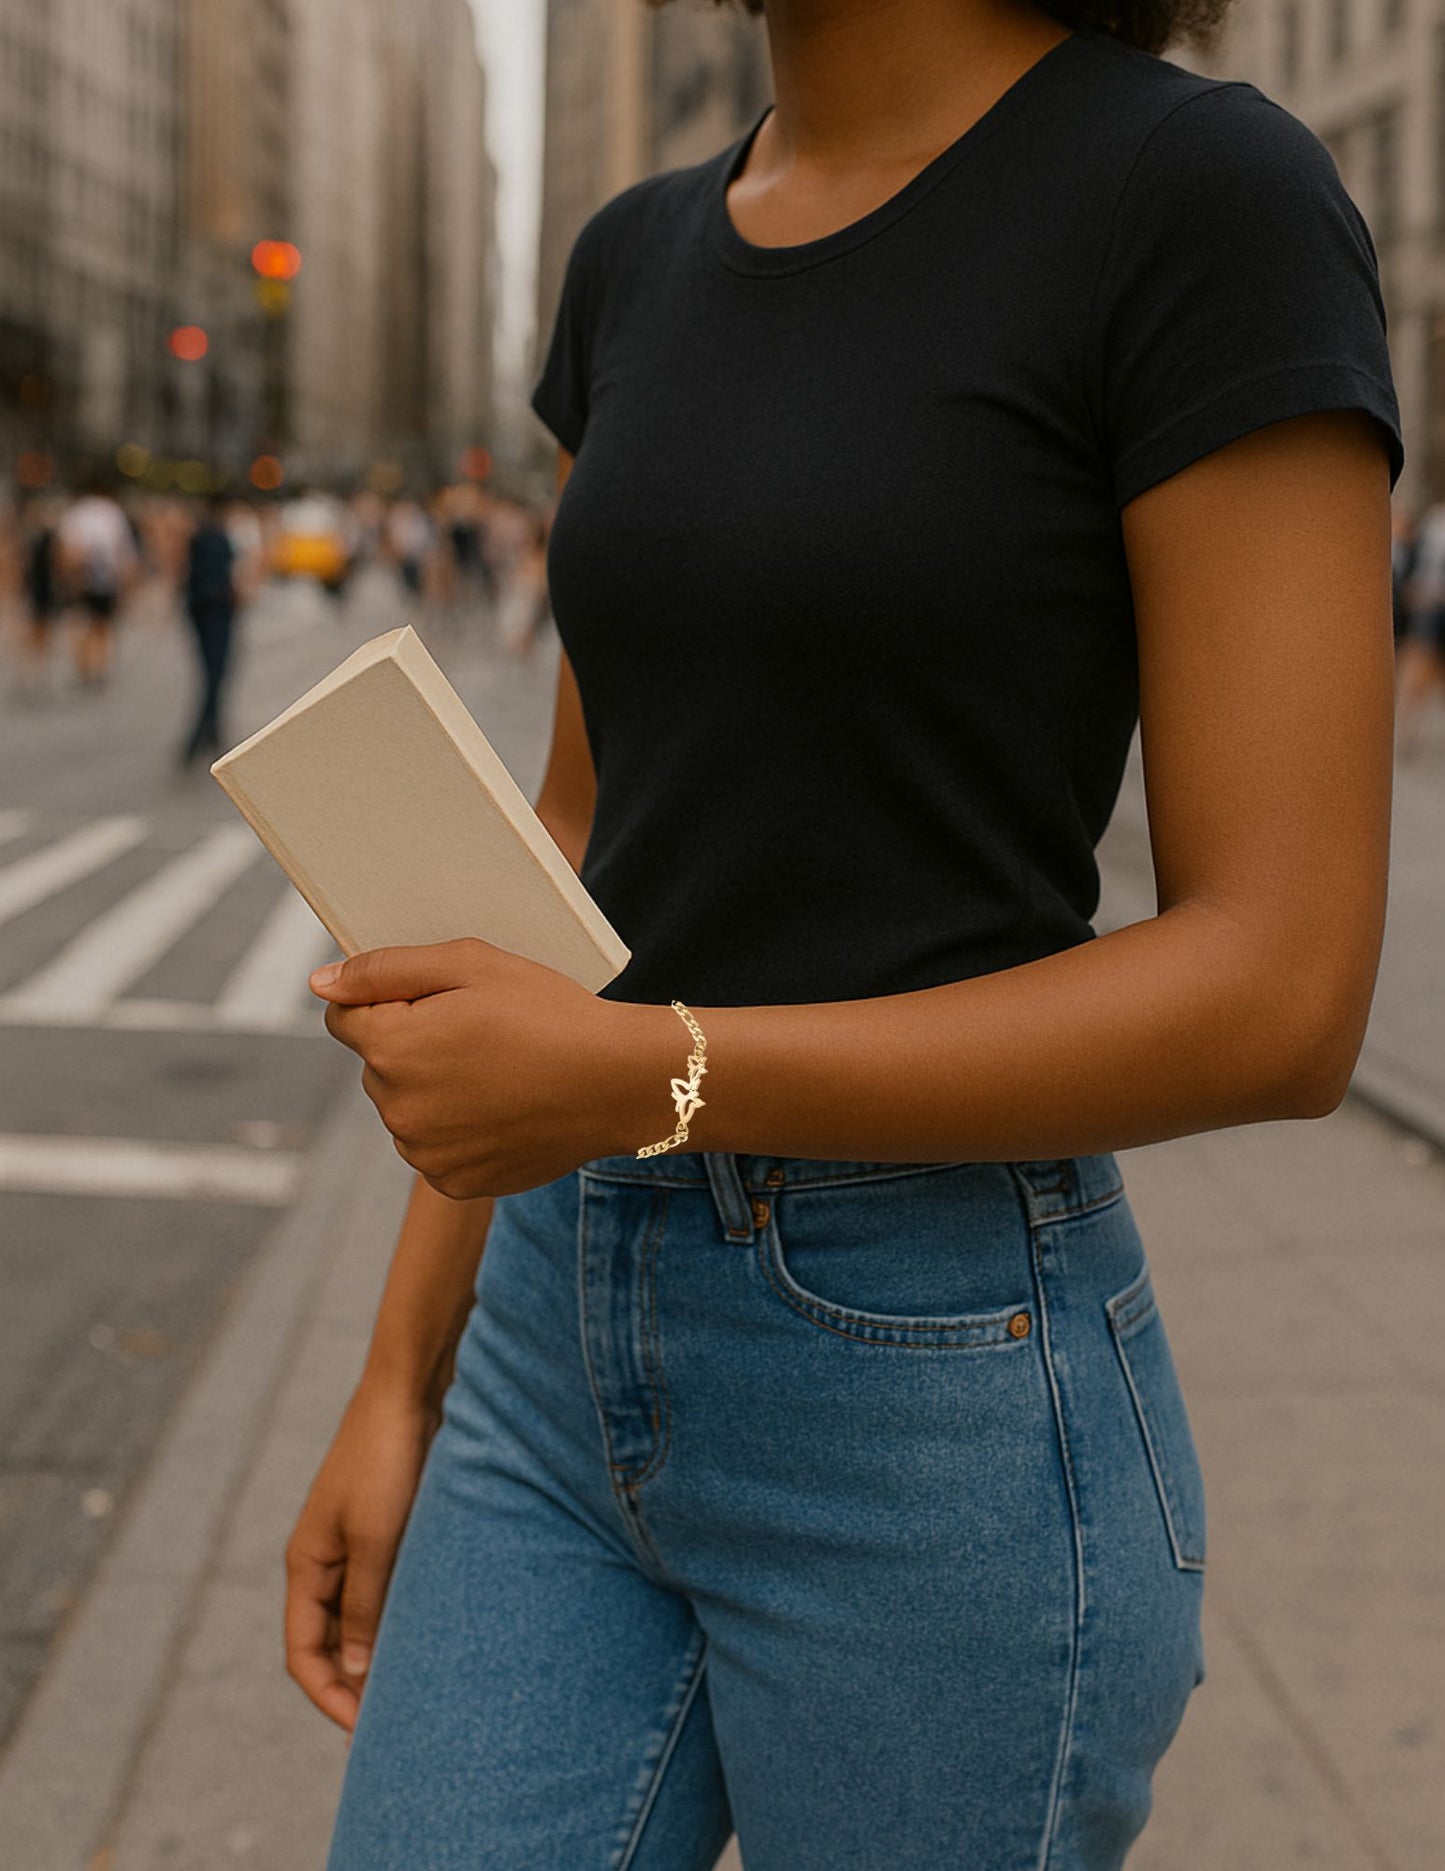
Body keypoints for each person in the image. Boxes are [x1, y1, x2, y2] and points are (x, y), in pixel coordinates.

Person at [293, 5, 1405, 1867]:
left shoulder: (1201, 194)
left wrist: (657, 1074)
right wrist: (397, 1381)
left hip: (926, 1374)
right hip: (554, 1355)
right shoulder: (636, 254)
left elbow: (1283, 988)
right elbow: (575, 840)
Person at [55, 476, 139, 688]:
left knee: (81, 623)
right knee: (102, 624)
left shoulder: (75, 512)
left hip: (80, 577)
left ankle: (84, 664)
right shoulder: (112, 512)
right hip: (105, 578)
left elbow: (65, 549)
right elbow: (124, 551)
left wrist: (66, 577)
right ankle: (99, 664)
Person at [176, 494, 238, 767]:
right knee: (216, 671)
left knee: (212, 671)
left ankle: (210, 727)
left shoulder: (197, 537)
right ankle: (203, 730)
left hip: (201, 608)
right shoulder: (219, 538)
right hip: (216, 609)